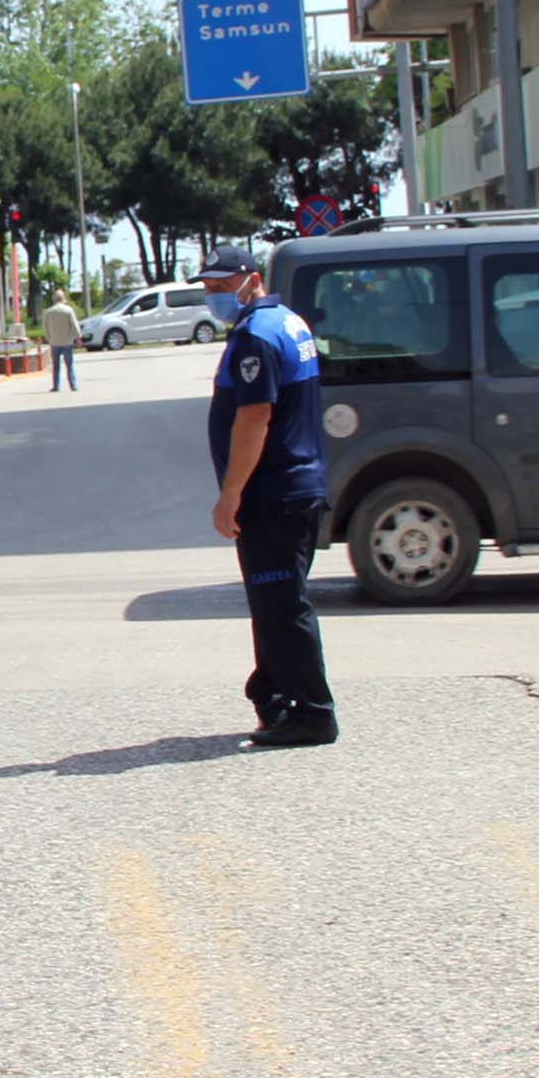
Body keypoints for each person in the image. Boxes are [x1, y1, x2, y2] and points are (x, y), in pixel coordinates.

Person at [200, 245, 336, 748]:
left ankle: (314, 713)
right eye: (209, 287)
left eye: (222, 285)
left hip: (273, 492)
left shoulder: (257, 335)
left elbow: (255, 417)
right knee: (274, 600)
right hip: (294, 487)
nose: (214, 295)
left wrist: (230, 493)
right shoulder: (287, 321)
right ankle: (275, 695)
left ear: (251, 278)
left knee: (281, 604)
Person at [43, 291, 81, 391]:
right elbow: (74, 325)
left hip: (55, 342)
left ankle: (56, 386)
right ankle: (73, 385)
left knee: (56, 366)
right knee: (69, 364)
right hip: (67, 341)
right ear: (62, 299)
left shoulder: (48, 312)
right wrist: (78, 338)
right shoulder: (68, 310)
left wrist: (49, 339)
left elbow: (45, 328)